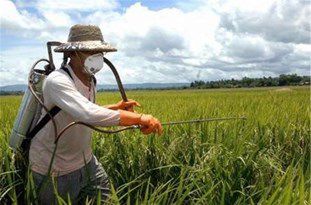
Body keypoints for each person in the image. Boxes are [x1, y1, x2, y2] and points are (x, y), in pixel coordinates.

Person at [29, 24, 163, 204]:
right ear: (72, 54)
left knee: (109, 201)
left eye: (100, 51)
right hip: (54, 169)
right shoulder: (57, 81)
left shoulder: (90, 79)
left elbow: (83, 109)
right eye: (90, 51)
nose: (97, 56)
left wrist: (116, 107)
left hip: (87, 162)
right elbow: (88, 113)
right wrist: (139, 119)